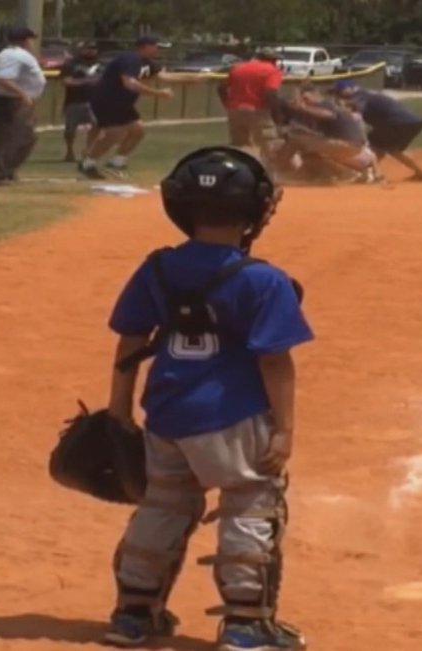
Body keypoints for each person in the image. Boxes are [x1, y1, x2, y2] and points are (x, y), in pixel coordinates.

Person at [101, 147, 313, 651]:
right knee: (250, 504)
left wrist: (118, 408)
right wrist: (283, 428)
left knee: (164, 505)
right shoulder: (264, 279)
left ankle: (133, 614)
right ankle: (244, 623)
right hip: (233, 417)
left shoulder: (156, 269)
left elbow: (130, 341)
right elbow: (274, 362)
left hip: (166, 415)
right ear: (255, 211)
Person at [80, 35, 174, 180]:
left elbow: (166, 77)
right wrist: (159, 93)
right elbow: (129, 83)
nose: (159, 50)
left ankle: (116, 163)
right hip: (107, 101)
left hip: (122, 103)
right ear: (145, 46)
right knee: (115, 134)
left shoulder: (146, 62)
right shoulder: (130, 59)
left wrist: (196, 79)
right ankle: (88, 164)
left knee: (138, 131)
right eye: (157, 46)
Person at [0, 27, 46, 187]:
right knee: (5, 139)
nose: (33, 43)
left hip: (19, 101)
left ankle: (6, 170)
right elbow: (3, 79)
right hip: (9, 101)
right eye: (30, 40)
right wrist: (23, 94)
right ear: (24, 41)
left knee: (27, 138)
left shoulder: (22, 56)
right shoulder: (11, 54)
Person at [276, 84, 380, 183]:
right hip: (353, 147)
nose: (304, 101)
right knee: (309, 149)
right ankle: (341, 174)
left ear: (314, 93)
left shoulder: (324, 104)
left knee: (296, 140)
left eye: (305, 97)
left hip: (346, 144)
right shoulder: (319, 106)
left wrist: (303, 108)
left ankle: (276, 171)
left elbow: (329, 115)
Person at [332, 79, 422, 182]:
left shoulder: (359, 96)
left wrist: (342, 107)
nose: (338, 94)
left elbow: (358, 113)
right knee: (393, 149)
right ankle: (421, 173)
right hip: (413, 122)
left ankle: (373, 174)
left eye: (339, 91)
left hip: (397, 123)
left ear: (351, 88)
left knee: (374, 144)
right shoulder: (364, 95)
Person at [217, 48, 284, 159]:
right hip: (257, 110)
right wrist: (277, 115)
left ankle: (239, 171)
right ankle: (271, 173)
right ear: (273, 60)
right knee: (269, 144)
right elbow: (270, 93)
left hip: (235, 110)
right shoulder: (272, 70)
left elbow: (221, 88)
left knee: (239, 145)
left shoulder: (239, 67)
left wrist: (227, 105)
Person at [58, 42, 102, 162]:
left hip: (96, 101)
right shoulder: (71, 64)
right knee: (70, 129)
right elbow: (66, 81)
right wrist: (86, 82)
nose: (90, 51)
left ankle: (89, 151)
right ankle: (69, 152)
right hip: (74, 101)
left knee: (97, 125)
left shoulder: (102, 65)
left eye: (93, 48)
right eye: (87, 48)